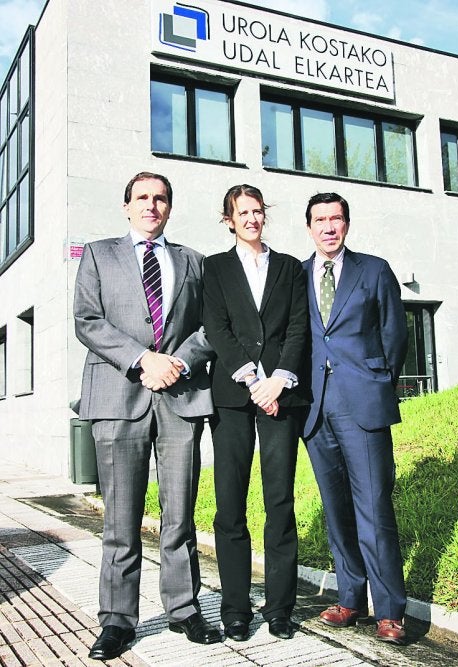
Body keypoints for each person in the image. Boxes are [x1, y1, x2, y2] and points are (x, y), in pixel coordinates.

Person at [74, 171, 221, 661]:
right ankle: (117, 621)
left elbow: (210, 326)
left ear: (169, 208)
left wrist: (178, 361)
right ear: (127, 206)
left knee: (179, 514)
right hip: (119, 397)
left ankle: (184, 609)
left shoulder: (193, 260)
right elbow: (87, 320)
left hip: (180, 396)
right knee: (121, 518)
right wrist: (143, 360)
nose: (151, 205)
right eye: (142, 197)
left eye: (160, 198)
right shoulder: (98, 254)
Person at [202, 185, 309, 642]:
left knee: (279, 502)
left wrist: (278, 380)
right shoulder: (215, 267)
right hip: (232, 396)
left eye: (258, 211)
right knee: (230, 505)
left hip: (281, 395)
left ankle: (280, 608)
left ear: (265, 215)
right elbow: (216, 327)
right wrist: (252, 379)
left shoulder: (289, 267)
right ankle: (235, 609)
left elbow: (299, 327)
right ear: (229, 219)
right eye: (242, 212)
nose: (251, 218)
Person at [302, 192, 408, 645]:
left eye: (336, 219)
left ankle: (389, 610)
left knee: (374, 507)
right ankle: (350, 597)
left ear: (346, 224)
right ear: (309, 227)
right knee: (336, 508)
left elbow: (395, 334)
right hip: (315, 408)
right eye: (320, 220)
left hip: (361, 404)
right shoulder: (297, 275)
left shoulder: (374, 270)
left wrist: (377, 381)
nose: (329, 227)